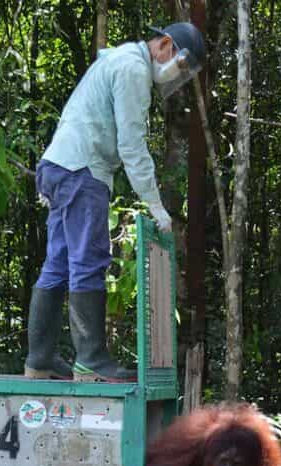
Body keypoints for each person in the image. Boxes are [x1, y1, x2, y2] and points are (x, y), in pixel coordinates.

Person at [25, 22, 206, 383]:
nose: (177, 75)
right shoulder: (133, 68)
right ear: (165, 45)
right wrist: (155, 205)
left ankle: (40, 360)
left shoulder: (120, 59)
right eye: (181, 66)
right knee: (88, 260)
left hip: (59, 165)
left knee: (59, 263)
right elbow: (132, 146)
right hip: (82, 170)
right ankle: (91, 360)